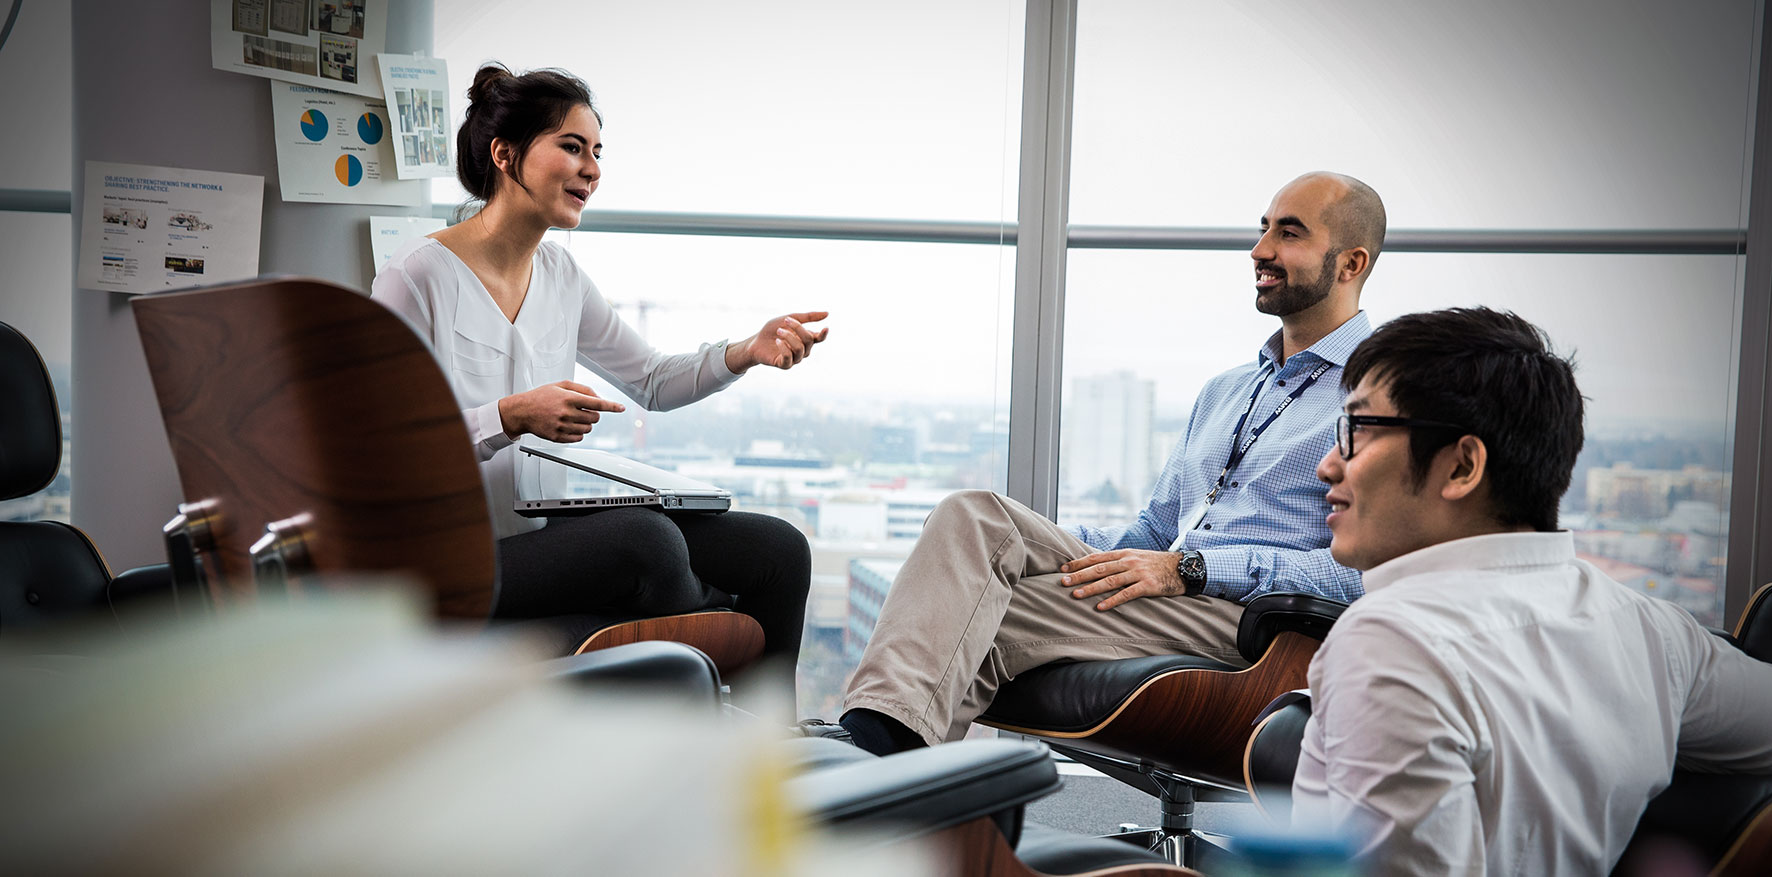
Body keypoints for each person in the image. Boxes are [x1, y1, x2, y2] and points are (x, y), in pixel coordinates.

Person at [819, 172, 1384, 754]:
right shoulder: (1229, 389)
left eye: (1289, 234)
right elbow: (1155, 531)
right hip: (1172, 586)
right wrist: (1043, 554)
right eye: (1263, 229)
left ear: (1350, 264)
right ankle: (888, 771)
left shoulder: (1379, 396)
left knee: (970, 618)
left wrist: (1192, 570)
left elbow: (1364, 576)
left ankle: (867, 764)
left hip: (1255, 625)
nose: (1260, 251)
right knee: (975, 520)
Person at [371, 65, 825, 702]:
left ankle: (764, 761)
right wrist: (506, 416)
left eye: (598, 153)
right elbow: (380, 457)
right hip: (451, 562)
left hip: (539, 539)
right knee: (649, 543)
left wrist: (745, 351)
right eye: (572, 147)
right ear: (505, 155)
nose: (592, 169)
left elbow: (653, 380)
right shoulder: (415, 277)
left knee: (779, 550)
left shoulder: (561, 275)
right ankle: (708, 624)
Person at [1296, 307, 1772, 874]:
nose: (1327, 466)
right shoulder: (1650, 628)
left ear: (1462, 466)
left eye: (1358, 429)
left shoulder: (1391, 641)